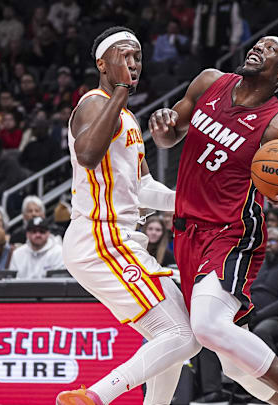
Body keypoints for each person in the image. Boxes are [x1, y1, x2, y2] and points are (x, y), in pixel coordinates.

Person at [149, 35, 278, 404]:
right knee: (233, 362)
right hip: (185, 233)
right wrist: (163, 129)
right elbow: (171, 135)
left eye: (273, 49)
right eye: (260, 43)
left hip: (231, 231)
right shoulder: (209, 81)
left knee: (207, 325)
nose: (260, 47)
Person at [57, 27, 201, 405]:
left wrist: (195, 202)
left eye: (137, 56)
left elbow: (143, 190)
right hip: (99, 237)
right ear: (102, 64)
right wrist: (120, 91)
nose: (134, 63)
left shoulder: (129, 119)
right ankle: (93, 398)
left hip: (120, 238)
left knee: (180, 331)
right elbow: (87, 155)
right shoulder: (94, 103)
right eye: (125, 55)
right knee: (182, 337)